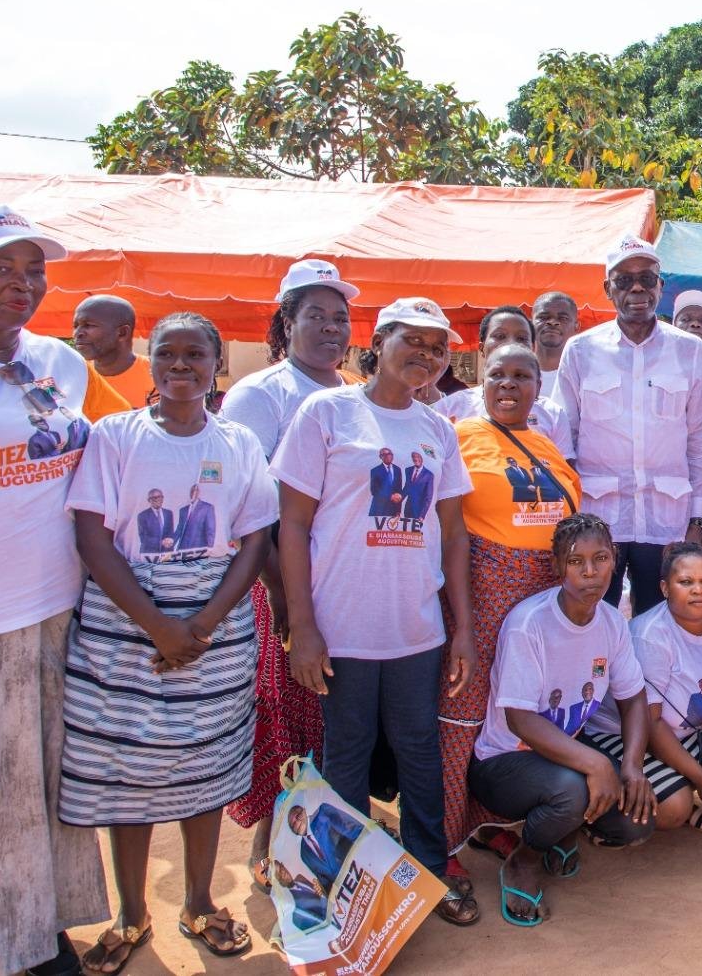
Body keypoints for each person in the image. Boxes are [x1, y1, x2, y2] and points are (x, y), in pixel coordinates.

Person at [62, 311, 276, 968]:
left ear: (217, 364)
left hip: (217, 625)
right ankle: (131, 914)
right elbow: (93, 536)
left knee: (203, 765)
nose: (180, 365)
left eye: (195, 354)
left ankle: (200, 902)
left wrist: (201, 625)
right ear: (149, 360)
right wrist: (159, 625)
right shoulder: (115, 435)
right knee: (127, 769)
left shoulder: (238, 441)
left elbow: (255, 539)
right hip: (126, 621)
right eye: (167, 354)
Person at [275, 296, 480, 927]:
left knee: (419, 751)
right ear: (379, 341)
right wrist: (302, 626)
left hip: (416, 628)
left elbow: (452, 533)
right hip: (342, 629)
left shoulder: (437, 429)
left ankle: (428, 871)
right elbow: (292, 523)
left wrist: (462, 629)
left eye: (437, 348)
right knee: (347, 755)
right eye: (412, 340)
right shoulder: (327, 412)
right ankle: (347, 887)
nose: (426, 355)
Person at [0, 206, 126, 976]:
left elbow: (119, 447)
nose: (23, 284)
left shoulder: (58, 364)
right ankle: (10, 946)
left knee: (55, 784)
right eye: (0, 267)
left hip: (62, 609)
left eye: (33, 271)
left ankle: (44, 927)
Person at [218, 258, 363, 887]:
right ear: (287, 322)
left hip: (346, 580)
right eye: (316, 316)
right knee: (287, 714)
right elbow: (250, 507)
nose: (332, 329)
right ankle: (273, 841)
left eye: (341, 318)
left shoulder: (354, 391)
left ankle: (329, 833)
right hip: (283, 581)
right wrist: (283, 594)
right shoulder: (261, 394)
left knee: (334, 713)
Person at [468, 514, 656, 927]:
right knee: (573, 791)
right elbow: (519, 719)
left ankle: (562, 830)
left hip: (562, 755)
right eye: (575, 562)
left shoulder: (611, 622)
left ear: (614, 560)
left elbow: (633, 697)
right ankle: (524, 859)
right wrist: (595, 763)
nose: (590, 572)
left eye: (600, 558)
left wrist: (631, 766)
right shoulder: (530, 625)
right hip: (504, 761)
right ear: (556, 566)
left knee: (634, 819)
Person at [439, 342, 580, 888]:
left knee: (514, 715)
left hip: (539, 605)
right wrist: (461, 622)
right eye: (498, 374)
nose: (508, 384)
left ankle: (490, 820)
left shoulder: (546, 446)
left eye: (522, 376)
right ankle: (441, 841)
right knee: (461, 718)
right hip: (481, 600)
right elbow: (446, 530)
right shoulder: (458, 437)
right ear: (482, 382)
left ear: (538, 389)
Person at [558, 235, 702, 614]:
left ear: (661, 285)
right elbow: (565, 443)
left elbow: (699, 445)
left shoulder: (690, 351)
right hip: (598, 521)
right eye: (624, 280)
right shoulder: (581, 351)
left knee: (658, 623)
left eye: (646, 278)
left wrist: (696, 522)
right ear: (607, 289)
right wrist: (572, 522)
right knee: (593, 620)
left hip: (666, 523)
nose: (637, 288)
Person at [587, 542, 702, 833]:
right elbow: (650, 723)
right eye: (686, 582)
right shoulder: (650, 636)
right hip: (625, 735)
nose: (698, 590)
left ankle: (682, 781)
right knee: (674, 809)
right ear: (665, 588)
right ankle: (600, 820)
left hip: (685, 731)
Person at [432, 305, 568, 445]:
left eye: (521, 338)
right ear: (482, 348)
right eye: (500, 336)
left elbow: (561, 460)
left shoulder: (552, 414)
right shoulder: (448, 409)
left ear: (533, 349)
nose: (511, 343)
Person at [73, 294, 153, 407]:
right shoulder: (74, 377)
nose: (78, 333)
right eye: (76, 326)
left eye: (88, 325)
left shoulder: (159, 375)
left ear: (122, 333)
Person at [285, 802, 364, 894]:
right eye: (292, 825)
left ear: (304, 811)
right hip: (348, 892)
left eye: (297, 816)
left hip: (363, 866)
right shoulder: (304, 854)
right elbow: (325, 883)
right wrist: (322, 890)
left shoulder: (323, 813)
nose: (296, 823)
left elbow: (354, 830)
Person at [533, 290, 580, 401]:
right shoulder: (516, 373)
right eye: (544, 317)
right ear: (530, 323)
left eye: (563, 318)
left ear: (577, 327)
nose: (553, 322)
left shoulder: (583, 376)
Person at [138, 488, 175, 554]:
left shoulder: (168, 513)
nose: (158, 499)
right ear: (149, 500)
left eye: (160, 497)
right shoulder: (142, 516)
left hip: (166, 552)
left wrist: (170, 541)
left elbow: (170, 532)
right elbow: (143, 538)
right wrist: (161, 542)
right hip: (149, 553)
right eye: (155, 497)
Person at [402, 451, 435, 520]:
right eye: (414, 457)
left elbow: (429, 497)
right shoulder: (408, 470)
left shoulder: (429, 474)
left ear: (422, 458)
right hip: (407, 509)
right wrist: (397, 503)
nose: (416, 459)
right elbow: (406, 488)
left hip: (419, 511)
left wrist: (422, 515)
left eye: (418, 457)